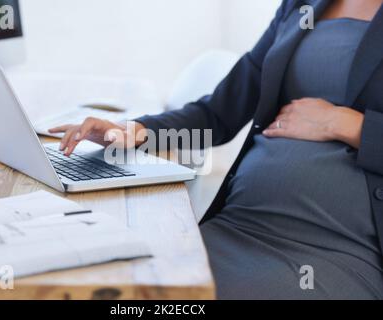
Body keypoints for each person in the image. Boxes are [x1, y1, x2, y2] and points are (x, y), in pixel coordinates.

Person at [50, 0, 383, 299]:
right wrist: (135, 131)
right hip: (240, 224)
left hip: (334, 248)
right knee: (121, 287)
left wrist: (347, 124)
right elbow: (220, 113)